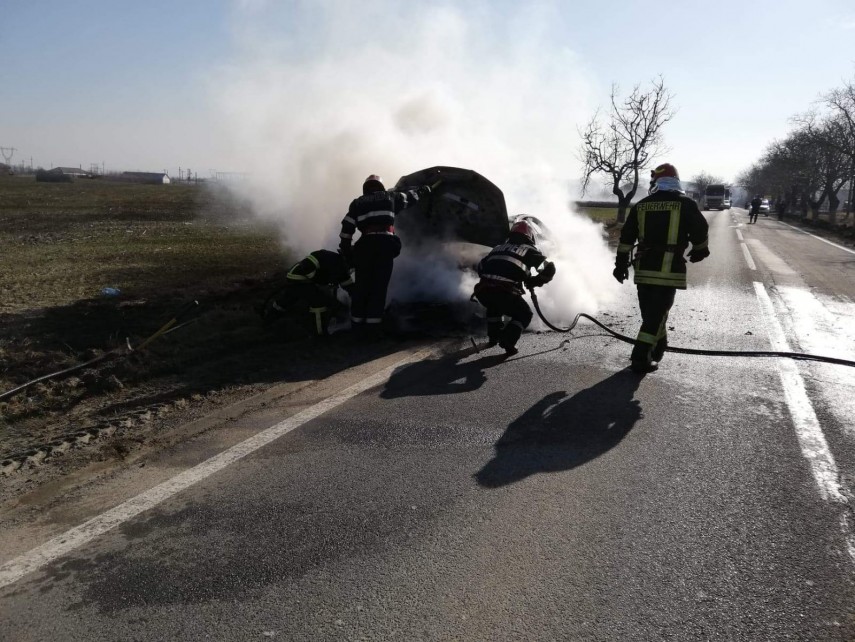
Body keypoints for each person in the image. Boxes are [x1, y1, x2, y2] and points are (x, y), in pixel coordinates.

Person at [613, 163, 709, 373]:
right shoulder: (686, 204)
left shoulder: (642, 205)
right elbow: (700, 230)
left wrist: (620, 265)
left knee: (652, 315)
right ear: (676, 181)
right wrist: (700, 249)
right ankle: (640, 358)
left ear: (656, 182)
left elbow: (626, 237)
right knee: (655, 316)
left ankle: (659, 346)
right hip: (669, 271)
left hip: (643, 270)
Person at [339, 174, 432, 336]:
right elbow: (410, 197)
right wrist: (423, 190)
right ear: (381, 187)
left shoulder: (357, 203)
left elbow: (346, 229)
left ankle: (357, 328)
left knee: (361, 287)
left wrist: (347, 252)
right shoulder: (391, 197)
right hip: (385, 245)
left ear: (365, 188)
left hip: (365, 247)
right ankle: (373, 329)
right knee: (378, 288)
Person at [472, 219, 556, 356]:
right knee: (524, 314)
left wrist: (497, 276)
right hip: (504, 292)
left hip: (483, 291)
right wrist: (535, 281)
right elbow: (549, 269)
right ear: (529, 236)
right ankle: (508, 340)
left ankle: (493, 337)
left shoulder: (497, 248)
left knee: (494, 307)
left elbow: (481, 267)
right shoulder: (528, 250)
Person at [260, 249, 354, 337]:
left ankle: (268, 320)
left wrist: (356, 296)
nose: (350, 268)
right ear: (345, 258)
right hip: (300, 278)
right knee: (318, 303)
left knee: (287, 300)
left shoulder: (342, 267)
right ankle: (319, 334)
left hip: (305, 281)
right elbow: (306, 267)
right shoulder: (328, 257)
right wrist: (320, 282)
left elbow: (347, 284)